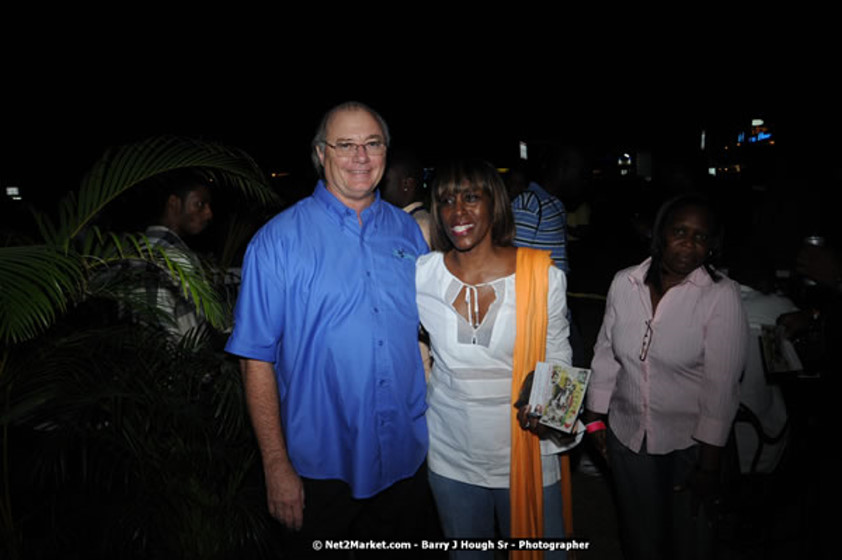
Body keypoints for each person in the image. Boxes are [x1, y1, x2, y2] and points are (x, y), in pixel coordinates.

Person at [225, 102, 431, 557]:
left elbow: (426, 336)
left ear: (386, 152)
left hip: (407, 458)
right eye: (346, 145)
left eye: (372, 143)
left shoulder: (408, 233)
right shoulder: (276, 243)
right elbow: (255, 360)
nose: (361, 156)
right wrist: (275, 465)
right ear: (321, 154)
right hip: (320, 470)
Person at [416, 159, 578, 558]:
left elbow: (559, 357)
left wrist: (547, 400)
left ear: (495, 203)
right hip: (451, 455)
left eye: (471, 197)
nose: (458, 212)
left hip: (526, 451)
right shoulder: (423, 275)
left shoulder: (541, 276)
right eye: (447, 200)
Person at [584, 194, 749, 560]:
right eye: (680, 232)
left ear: (712, 246)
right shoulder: (625, 283)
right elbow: (606, 355)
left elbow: (722, 386)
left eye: (701, 237)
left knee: (690, 541)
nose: (689, 244)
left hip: (689, 444)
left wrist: (709, 465)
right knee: (640, 537)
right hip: (628, 436)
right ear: (660, 234)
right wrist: (595, 421)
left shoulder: (720, 295)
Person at [141, 169, 214, 339]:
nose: (209, 214)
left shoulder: (138, 247)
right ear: (174, 203)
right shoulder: (175, 255)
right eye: (200, 204)